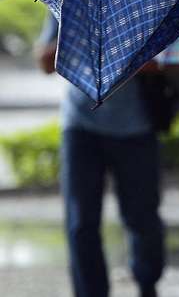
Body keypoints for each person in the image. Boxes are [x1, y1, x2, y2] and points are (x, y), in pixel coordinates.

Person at [36, 15, 165, 297]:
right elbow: (45, 61)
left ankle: (147, 285)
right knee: (80, 222)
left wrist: (120, 52)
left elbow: (164, 62)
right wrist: (79, 43)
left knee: (142, 217)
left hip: (136, 126)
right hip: (79, 124)